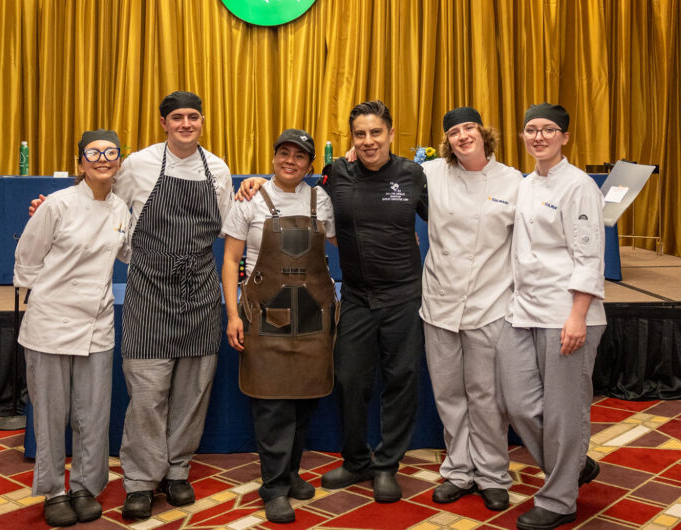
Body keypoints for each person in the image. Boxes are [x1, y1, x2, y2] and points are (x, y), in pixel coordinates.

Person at [29, 91, 233, 522]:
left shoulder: (217, 169)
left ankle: (177, 470)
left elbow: (227, 225)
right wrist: (48, 204)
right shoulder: (138, 164)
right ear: (163, 123)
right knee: (147, 394)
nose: (185, 124)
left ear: (202, 121)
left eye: (193, 117)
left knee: (192, 392)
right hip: (149, 292)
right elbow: (97, 197)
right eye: (176, 117)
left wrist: (251, 186)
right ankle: (140, 480)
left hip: (199, 291)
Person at [239, 100, 428, 503]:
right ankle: (357, 459)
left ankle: (387, 465)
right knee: (348, 379)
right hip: (357, 296)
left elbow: (446, 223)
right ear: (351, 139)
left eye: (376, 132)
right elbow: (289, 188)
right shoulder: (337, 174)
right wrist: (256, 180)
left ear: (392, 134)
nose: (368, 141)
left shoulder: (414, 176)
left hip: (403, 296)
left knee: (401, 380)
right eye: (360, 134)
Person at [14, 130, 132, 527]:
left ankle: (85, 485)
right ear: (81, 161)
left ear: (119, 161)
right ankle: (52, 490)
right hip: (50, 323)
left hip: (97, 325)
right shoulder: (57, 205)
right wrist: (47, 298)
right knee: (50, 414)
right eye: (94, 153)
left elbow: (131, 252)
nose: (103, 159)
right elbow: (27, 259)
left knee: (93, 413)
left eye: (110, 153)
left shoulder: (121, 209)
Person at [497, 103, 605, 530]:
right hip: (523, 309)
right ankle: (574, 465)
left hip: (567, 313)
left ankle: (560, 499)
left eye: (548, 130)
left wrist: (578, 315)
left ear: (564, 137)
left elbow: (589, 254)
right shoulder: (524, 184)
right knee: (518, 403)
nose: (538, 137)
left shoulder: (579, 186)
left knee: (564, 411)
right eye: (530, 130)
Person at [221, 128, 338, 524]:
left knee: (304, 398)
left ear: (309, 164)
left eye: (300, 156)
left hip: (312, 316)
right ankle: (273, 485)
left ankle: (290, 474)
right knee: (271, 405)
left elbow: (342, 242)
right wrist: (233, 314)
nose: (291, 161)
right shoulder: (250, 199)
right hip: (264, 316)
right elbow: (230, 259)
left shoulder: (321, 200)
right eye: (284, 153)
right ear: (274, 158)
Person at [420, 107, 521, 511]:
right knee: (449, 395)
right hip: (440, 303)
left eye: (469, 128)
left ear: (483, 133)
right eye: (454, 132)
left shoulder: (513, 181)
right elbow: (380, 172)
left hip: (490, 303)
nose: (462, 136)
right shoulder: (430, 174)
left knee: (487, 396)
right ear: (446, 141)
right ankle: (459, 471)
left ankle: (493, 474)